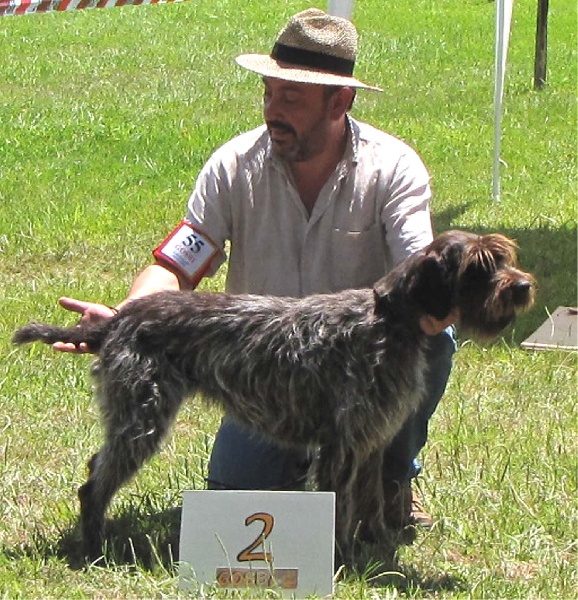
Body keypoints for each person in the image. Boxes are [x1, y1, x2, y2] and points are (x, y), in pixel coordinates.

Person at [54, 9, 456, 535]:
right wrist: (130, 318)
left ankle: (389, 477)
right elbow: (178, 264)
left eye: (291, 98)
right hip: (267, 370)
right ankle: (299, 471)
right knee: (240, 499)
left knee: (434, 338)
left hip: (360, 365)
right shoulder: (232, 165)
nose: (273, 110)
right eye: (269, 93)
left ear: (340, 101)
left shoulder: (394, 169)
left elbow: (419, 277)